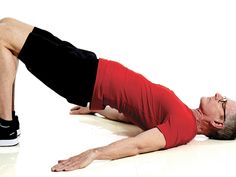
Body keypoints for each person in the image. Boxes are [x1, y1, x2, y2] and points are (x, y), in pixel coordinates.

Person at [0, 17, 235, 172]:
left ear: (217, 122)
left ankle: (5, 127)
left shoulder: (184, 127)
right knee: (7, 27)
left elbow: (138, 145)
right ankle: (7, 124)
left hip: (85, 78)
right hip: (91, 68)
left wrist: (94, 153)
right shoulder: (183, 116)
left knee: (5, 34)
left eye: (223, 102)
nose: (218, 95)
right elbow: (134, 114)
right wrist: (98, 109)